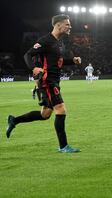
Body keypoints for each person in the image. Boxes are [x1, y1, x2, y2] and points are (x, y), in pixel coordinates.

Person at [6, 14, 82, 153]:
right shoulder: (45, 40)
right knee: (61, 109)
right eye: (67, 24)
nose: (70, 26)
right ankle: (63, 146)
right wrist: (33, 68)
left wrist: (72, 61)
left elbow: (57, 62)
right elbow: (27, 55)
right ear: (58, 25)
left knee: (45, 114)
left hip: (54, 81)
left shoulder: (57, 42)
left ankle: (14, 120)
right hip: (48, 81)